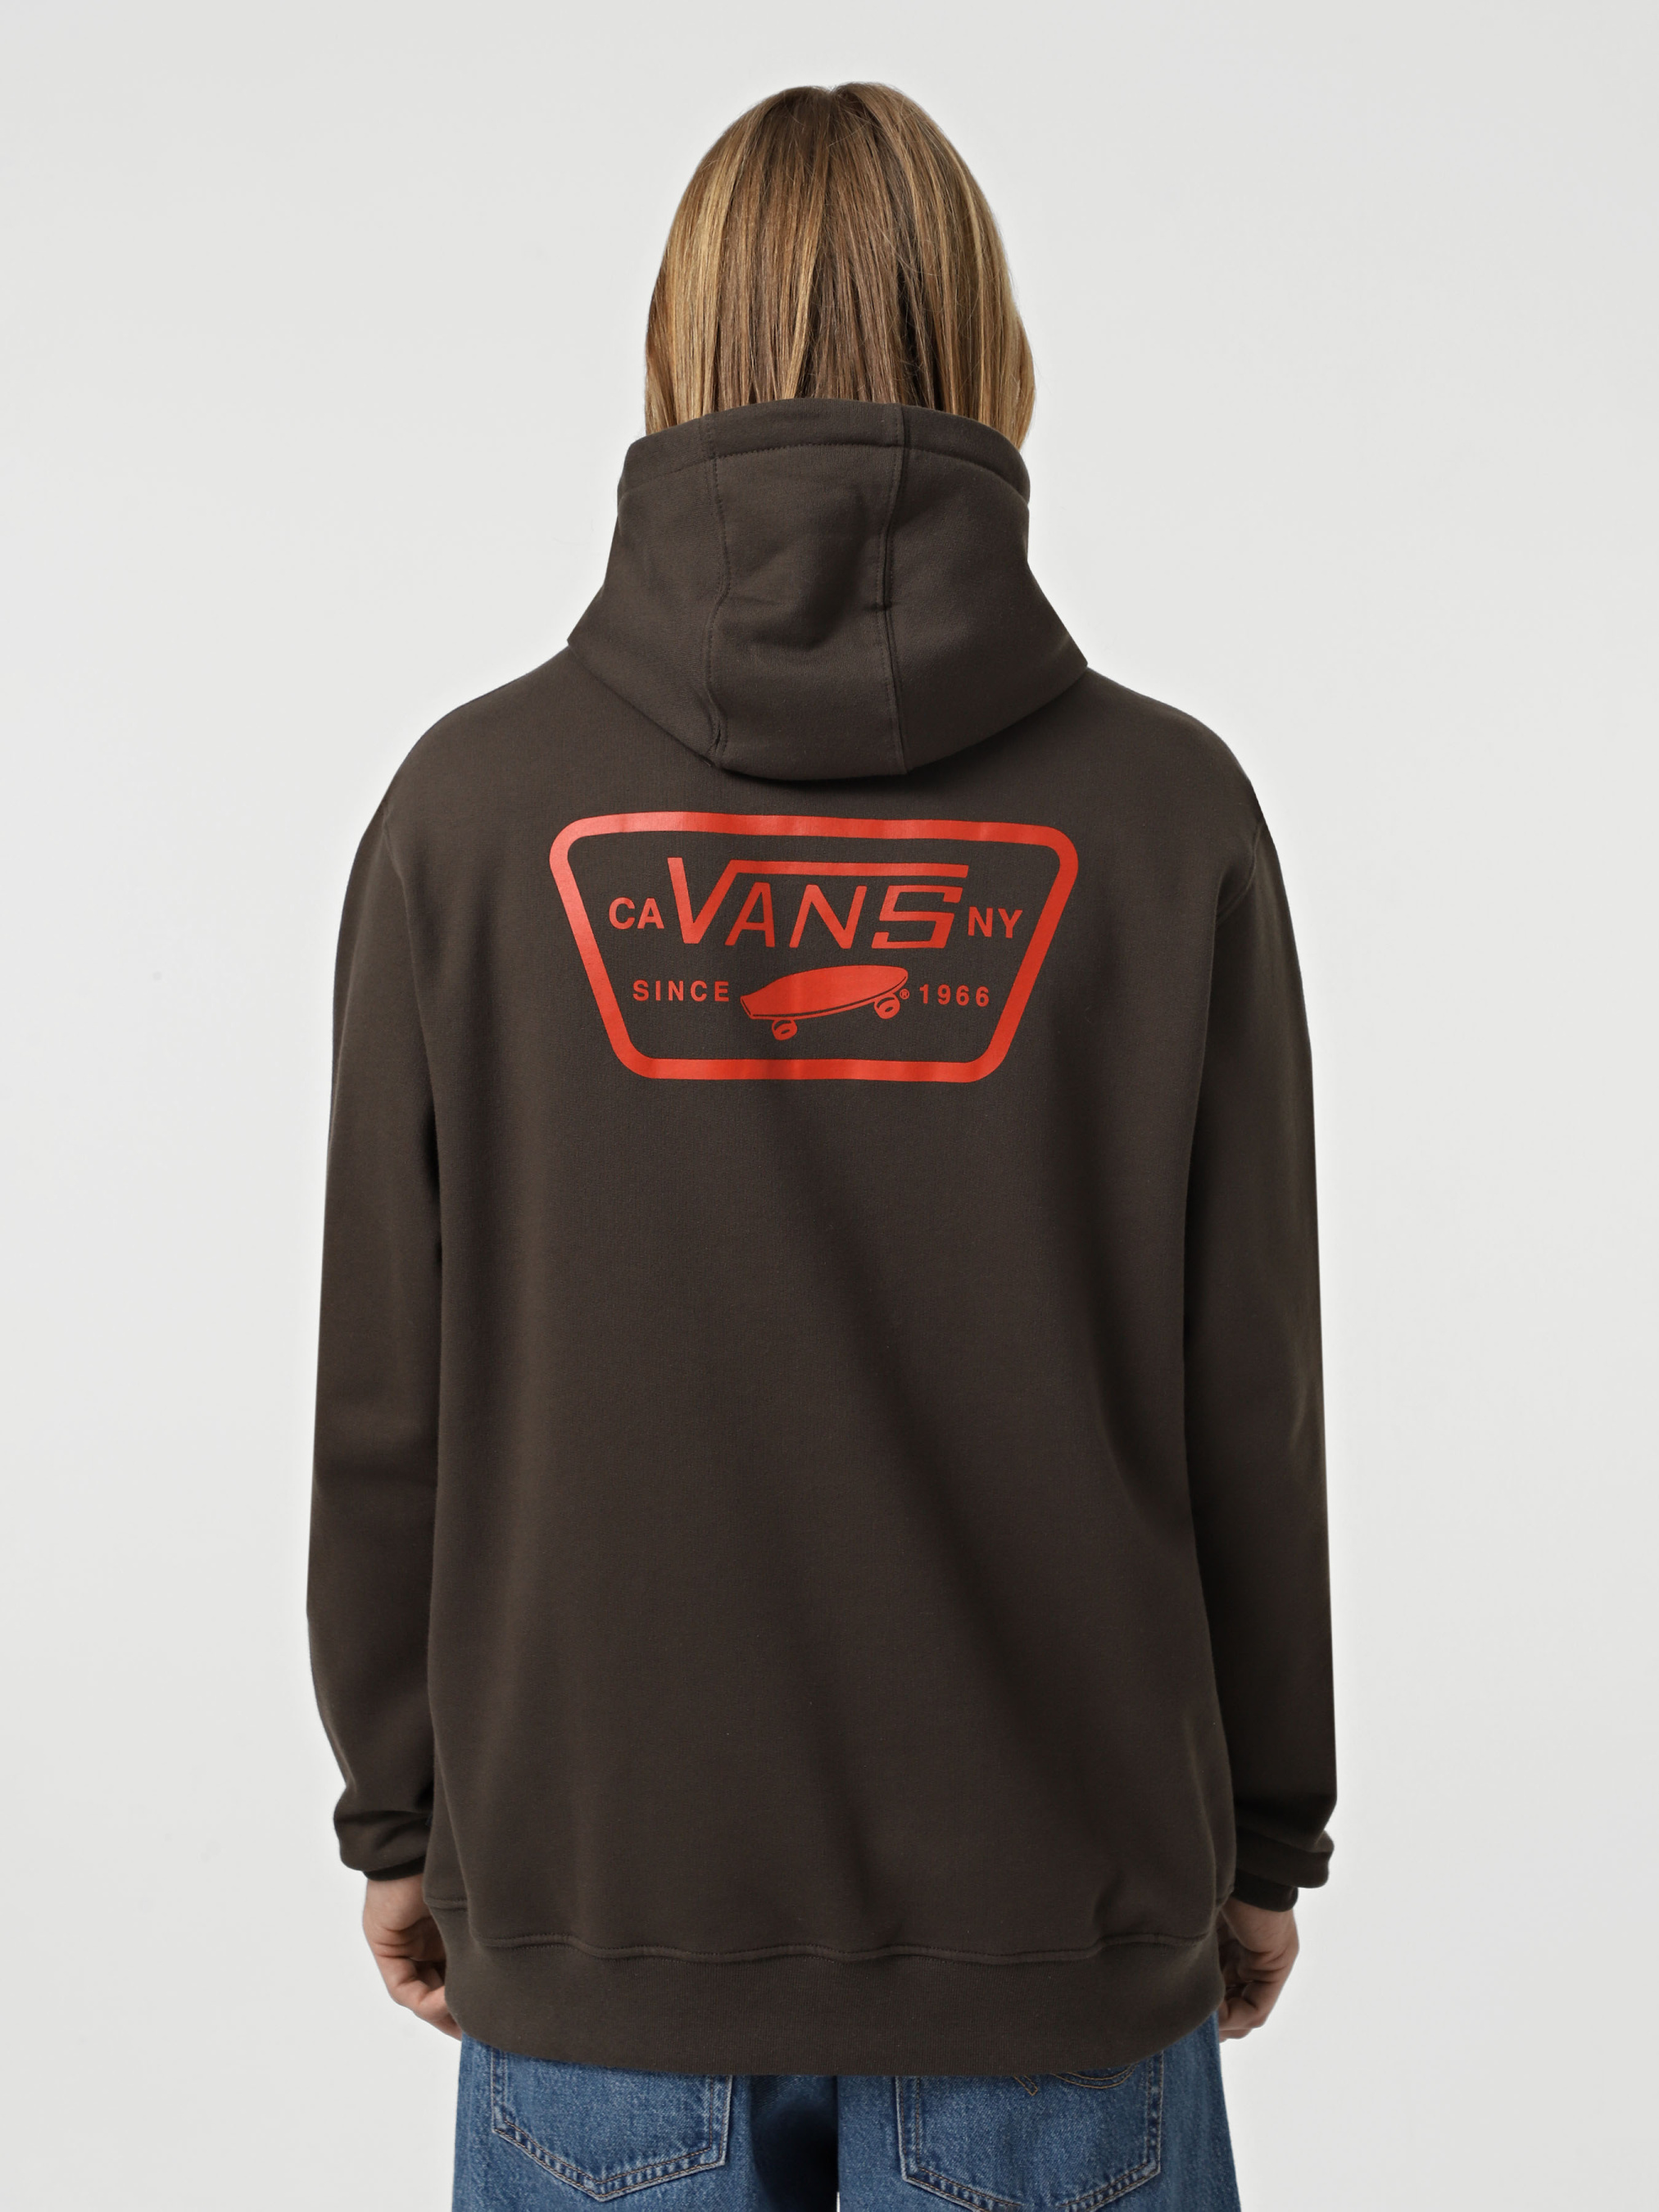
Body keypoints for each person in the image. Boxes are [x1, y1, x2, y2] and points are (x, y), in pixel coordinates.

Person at [309, 82, 1335, 2212]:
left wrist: (401, 1818)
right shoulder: (1165, 821)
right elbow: (1245, 1388)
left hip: (600, 1933)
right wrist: (1261, 1839)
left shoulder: (469, 818)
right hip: (1055, 1950)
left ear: (671, 351)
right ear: (991, 350)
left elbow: (390, 1395)